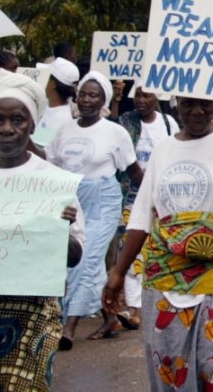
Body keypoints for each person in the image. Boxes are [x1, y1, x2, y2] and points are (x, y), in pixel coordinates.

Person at [103, 97, 213, 391]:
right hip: (164, 273)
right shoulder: (164, 148)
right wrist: (118, 272)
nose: (197, 111)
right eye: (187, 105)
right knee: (167, 366)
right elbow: (143, 213)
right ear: (175, 106)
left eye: (204, 105)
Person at [0, 70, 86, 391]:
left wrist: (58, 230)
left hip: (31, 313)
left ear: (32, 123)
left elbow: (75, 255)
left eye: (17, 120)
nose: (7, 129)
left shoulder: (53, 181)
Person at [46, 71, 143, 349]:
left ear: (104, 100)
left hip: (104, 201)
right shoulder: (64, 129)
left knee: (85, 260)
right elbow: (50, 165)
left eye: (94, 95)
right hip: (72, 201)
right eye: (84, 94)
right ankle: (111, 316)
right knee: (88, 264)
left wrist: (153, 202)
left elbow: (135, 171)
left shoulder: (115, 132)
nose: (87, 100)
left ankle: (69, 325)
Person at [105, 86, 179, 334]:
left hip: (163, 199)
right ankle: (134, 309)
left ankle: (162, 303)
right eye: (137, 95)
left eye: (146, 95)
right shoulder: (126, 122)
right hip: (132, 197)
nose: (140, 100)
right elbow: (113, 134)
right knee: (131, 248)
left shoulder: (169, 124)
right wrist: (115, 101)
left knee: (156, 250)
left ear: (158, 97)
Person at [35, 57, 81, 138]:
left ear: (53, 84)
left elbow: (39, 147)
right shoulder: (46, 105)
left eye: (47, 76)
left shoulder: (60, 120)